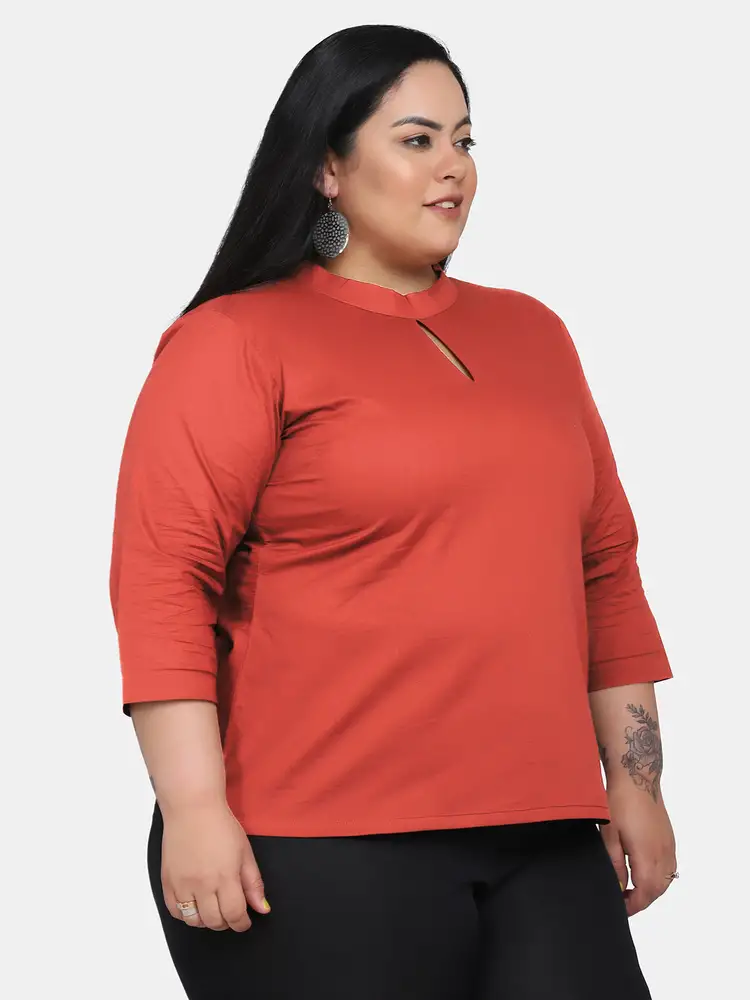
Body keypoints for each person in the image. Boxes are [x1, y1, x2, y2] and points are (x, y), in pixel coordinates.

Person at [108, 23, 679, 1000]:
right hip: (313, 838)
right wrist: (194, 805)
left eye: (465, 139)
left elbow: (605, 569)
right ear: (327, 167)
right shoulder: (235, 340)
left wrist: (636, 783)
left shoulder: (534, 334)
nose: (453, 166)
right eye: (417, 139)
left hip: (543, 834)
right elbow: (164, 580)